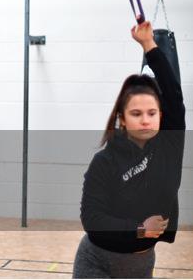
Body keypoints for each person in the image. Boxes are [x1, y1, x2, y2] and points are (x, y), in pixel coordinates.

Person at [73, 18, 186, 278]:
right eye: (136, 113)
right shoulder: (104, 161)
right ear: (122, 118)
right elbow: (92, 219)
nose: (145, 119)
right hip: (96, 260)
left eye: (152, 112)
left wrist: (149, 45)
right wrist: (139, 229)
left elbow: (174, 97)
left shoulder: (168, 147)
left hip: (140, 264)